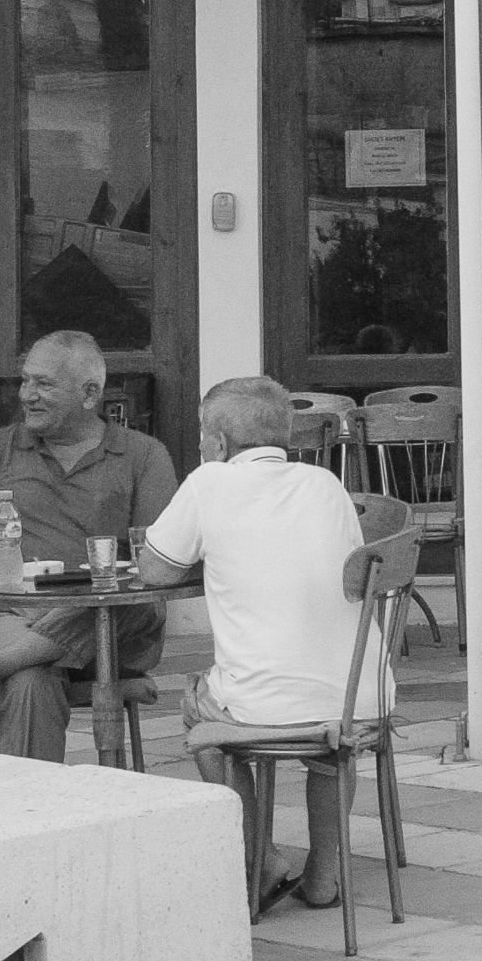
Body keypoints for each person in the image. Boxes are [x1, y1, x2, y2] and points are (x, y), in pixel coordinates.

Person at [138, 376, 382, 913]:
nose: (202, 445)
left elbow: (155, 571)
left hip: (266, 707)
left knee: (201, 721)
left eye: (203, 434)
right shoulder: (325, 484)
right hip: (359, 701)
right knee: (327, 730)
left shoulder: (209, 482)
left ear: (220, 442)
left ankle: (260, 860)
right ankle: (322, 875)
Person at [0, 330, 177, 761]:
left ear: (90, 393)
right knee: (28, 680)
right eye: (25, 381)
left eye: (44, 384)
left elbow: (155, 562)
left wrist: (92, 600)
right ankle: (32, 815)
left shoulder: (144, 455)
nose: (27, 395)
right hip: (12, 613)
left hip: (113, 621)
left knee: (108, 603)